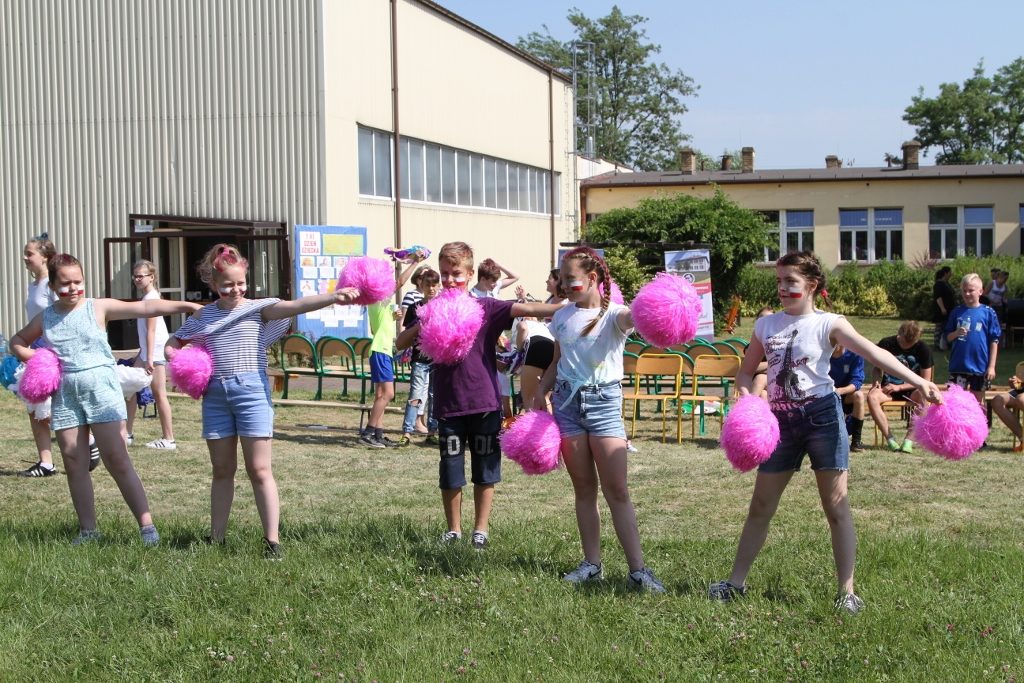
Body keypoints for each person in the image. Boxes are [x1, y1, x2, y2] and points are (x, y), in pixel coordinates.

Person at [708, 251, 942, 614]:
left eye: (791, 282)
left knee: (836, 507)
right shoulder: (765, 326)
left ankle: (846, 593)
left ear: (812, 285)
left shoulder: (830, 323)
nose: (783, 289)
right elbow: (745, 371)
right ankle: (734, 583)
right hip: (779, 423)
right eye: (779, 281)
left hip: (822, 418)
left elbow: (876, 355)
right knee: (760, 507)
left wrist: (917, 382)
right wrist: (745, 397)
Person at [166, 244, 360, 558]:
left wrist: (333, 297)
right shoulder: (203, 316)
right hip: (215, 396)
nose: (235, 289)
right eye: (227, 284)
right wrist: (177, 357)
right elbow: (175, 340)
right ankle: (216, 539)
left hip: (252, 393)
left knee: (259, 469)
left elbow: (295, 306)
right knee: (221, 470)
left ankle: (272, 541)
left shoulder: (258, 308)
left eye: (240, 282)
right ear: (213, 284)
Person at [9, 253, 202, 545]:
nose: (73, 288)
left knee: (117, 459)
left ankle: (147, 527)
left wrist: (187, 305)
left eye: (78, 281)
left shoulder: (97, 307)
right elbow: (17, 341)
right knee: (74, 461)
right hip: (67, 395)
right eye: (65, 283)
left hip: (102, 391)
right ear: (52, 286)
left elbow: (146, 306)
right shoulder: (46, 318)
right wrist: (36, 357)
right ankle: (88, 531)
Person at [396, 241, 559, 550]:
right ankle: (454, 530)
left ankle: (480, 530)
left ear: (470, 274)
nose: (450, 281)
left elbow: (527, 308)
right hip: (449, 403)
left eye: (456, 273)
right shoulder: (432, 309)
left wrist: (568, 305)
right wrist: (425, 320)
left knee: (485, 468)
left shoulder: (485, 307)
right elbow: (401, 342)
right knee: (451, 469)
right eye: (445, 274)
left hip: (485, 403)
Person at [534, 246, 667, 592]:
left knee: (617, 490)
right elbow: (557, 361)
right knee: (583, 489)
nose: (563, 286)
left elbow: (637, 318)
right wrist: (540, 392)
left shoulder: (616, 315)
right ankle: (591, 564)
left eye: (570, 280)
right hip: (566, 405)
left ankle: (638, 570)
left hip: (604, 404)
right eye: (561, 280)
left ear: (593, 279)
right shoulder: (562, 317)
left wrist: (658, 306)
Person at [359, 260, 422, 448]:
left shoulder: (376, 301)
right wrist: (415, 262)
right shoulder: (377, 296)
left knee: (380, 395)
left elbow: (376, 325)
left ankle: (378, 434)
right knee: (388, 393)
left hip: (380, 350)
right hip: (381, 350)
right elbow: (400, 282)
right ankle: (368, 433)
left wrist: (392, 316)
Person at [17, 234, 59, 477]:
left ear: (45, 257)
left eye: (29, 253)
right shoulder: (33, 284)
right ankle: (46, 462)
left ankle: (89, 441)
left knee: (52, 406)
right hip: (35, 350)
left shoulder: (52, 285)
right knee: (34, 407)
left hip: (51, 351)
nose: (25, 257)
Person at [124, 259, 176, 450]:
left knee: (159, 394)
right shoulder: (146, 298)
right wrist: (141, 354)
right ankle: (126, 433)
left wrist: (149, 360)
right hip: (146, 353)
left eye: (141, 276)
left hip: (155, 354)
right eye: (135, 276)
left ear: (151, 277)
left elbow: (152, 331)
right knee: (129, 391)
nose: (137, 279)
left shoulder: (152, 299)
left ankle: (168, 439)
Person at [865, 321, 934, 453]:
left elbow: (926, 380)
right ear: (899, 334)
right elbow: (876, 369)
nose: (907, 346)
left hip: (913, 389)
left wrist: (899, 387)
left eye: (910, 344)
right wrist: (876, 383)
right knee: (872, 396)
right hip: (888, 390)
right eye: (904, 343)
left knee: (926, 397)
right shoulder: (886, 344)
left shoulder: (923, 348)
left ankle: (909, 440)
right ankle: (890, 439)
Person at [395, 267, 440, 447]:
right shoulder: (415, 307)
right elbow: (408, 333)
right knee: (416, 395)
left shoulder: (442, 307)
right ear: (422, 285)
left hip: (437, 359)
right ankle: (407, 431)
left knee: (435, 397)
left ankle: (432, 431)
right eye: (428, 285)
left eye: (434, 285)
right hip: (420, 359)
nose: (431, 289)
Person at [944, 273, 1000, 409]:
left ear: (980, 291)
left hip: (979, 367)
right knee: (955, 403)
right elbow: (948, 337)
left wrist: (991, 366)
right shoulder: (957, 312)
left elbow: (994, 340)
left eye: (971, 290)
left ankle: (978, 429)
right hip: (959, 365)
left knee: (977, 404)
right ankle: (956, 429)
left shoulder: (988, 312)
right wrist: (956, 333)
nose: (967, 294)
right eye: (964, 291)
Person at [828, 345, 865, 452]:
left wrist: (839, 391)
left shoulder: (855, 354)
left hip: (846, 393)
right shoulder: (822, 353)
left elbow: (857, 381)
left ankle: (856, 442)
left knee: (859, 395)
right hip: (826, 392)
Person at [749, 307, 775, 399]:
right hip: (758, 385)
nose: (765, 322)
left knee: (760, 378)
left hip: (777, 381)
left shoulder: (779, 345)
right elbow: (750, 368)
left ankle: (748, 408)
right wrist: (773, 363)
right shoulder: (753, 345)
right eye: (762, 318)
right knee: (763, 394)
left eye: (769, 319)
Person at [932, 267, 955, 351]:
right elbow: (938, 297)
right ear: (945, 273)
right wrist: (942, 308)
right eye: (950, 272)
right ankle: (937, 344)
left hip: (950, 310)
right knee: (939, 327)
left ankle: (946, 343)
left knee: (947, 326)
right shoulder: (939, 284)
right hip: (942, 310)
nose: (951, 274)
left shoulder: (946, 283)